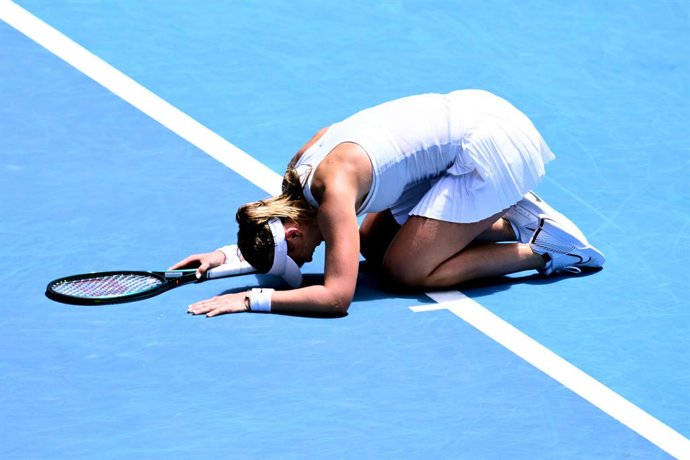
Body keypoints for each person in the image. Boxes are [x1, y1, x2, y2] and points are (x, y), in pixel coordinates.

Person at [172, 89, 605, 317]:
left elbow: (338, 297)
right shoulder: (298, 176)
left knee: (403, 270)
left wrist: (252, 299)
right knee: (372, 247)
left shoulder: (333, 195)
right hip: (479, 113)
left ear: (294, 231)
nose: (305, 263)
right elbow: (278, 236)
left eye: (298, 256)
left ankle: (544, 248)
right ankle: (511, 218)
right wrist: (225, 259)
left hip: (497, 149)